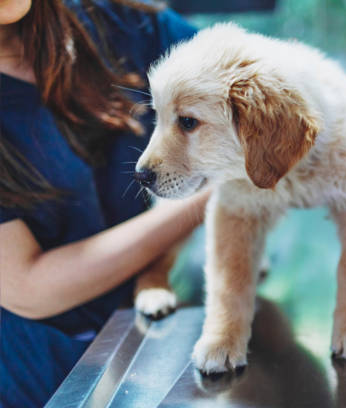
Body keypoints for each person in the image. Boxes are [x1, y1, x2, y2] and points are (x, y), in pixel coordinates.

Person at [0, 1, 207, 406]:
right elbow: (25, 287)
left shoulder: (111, 20)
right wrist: (212, 196)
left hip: (151, 338)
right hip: (39, 379)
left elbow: (249, 73)